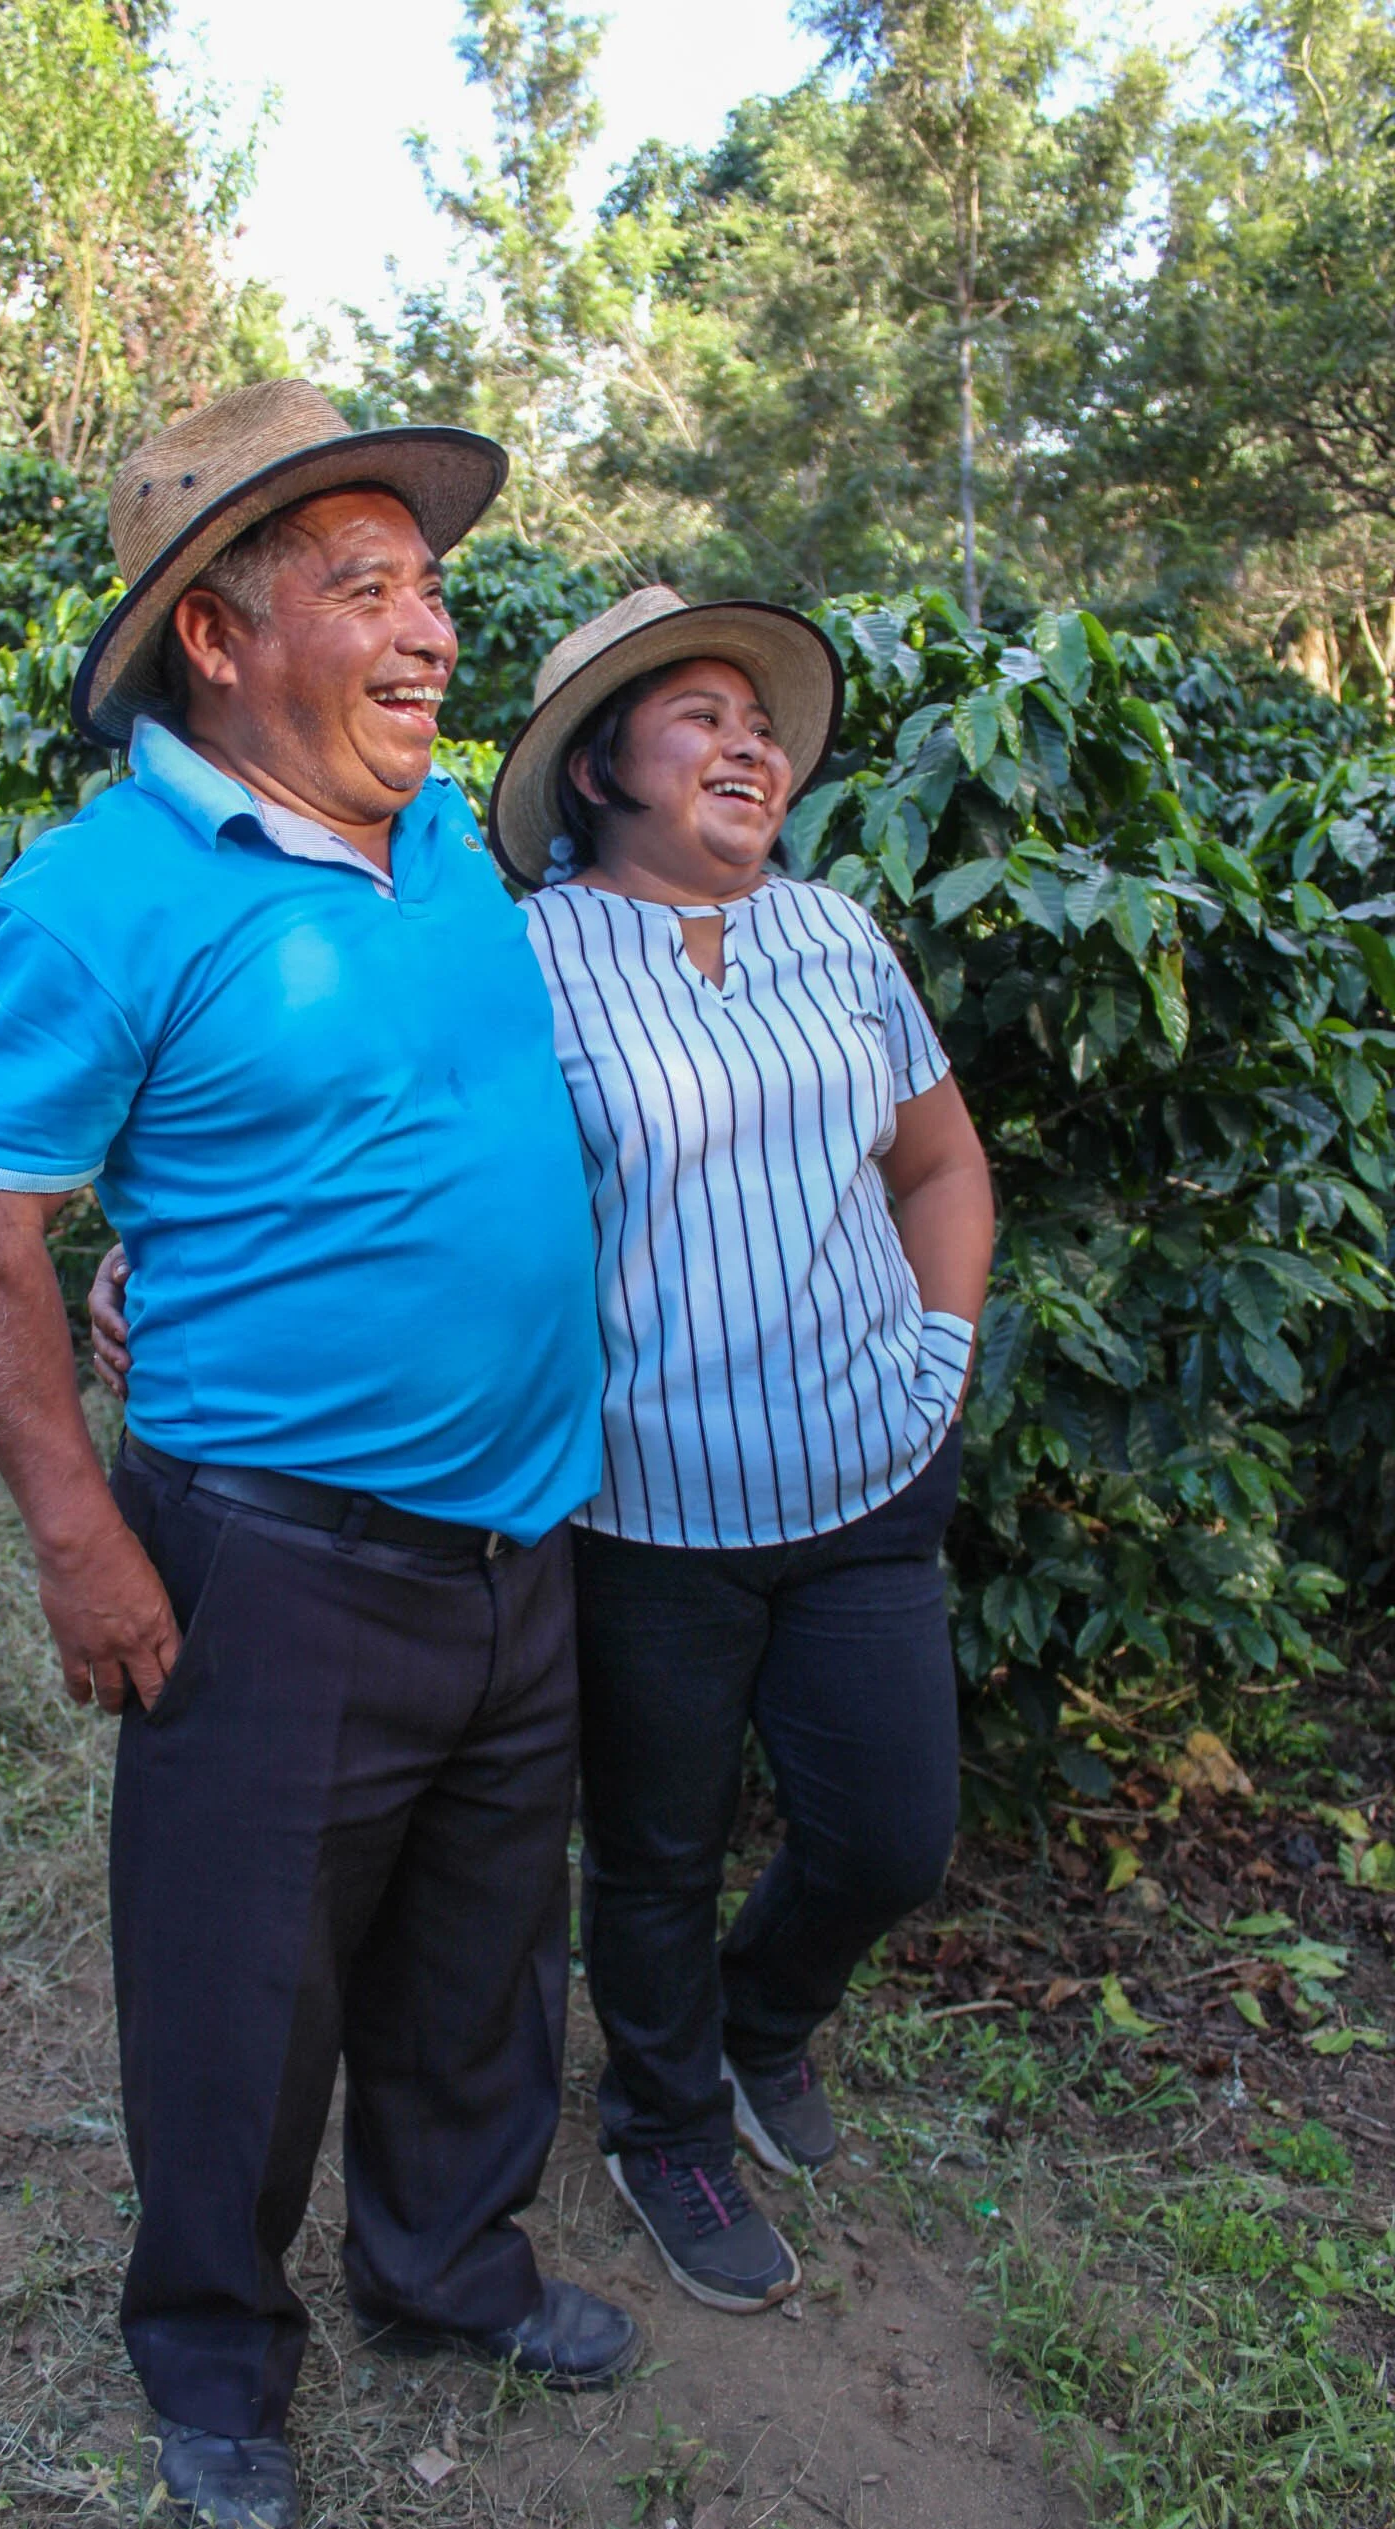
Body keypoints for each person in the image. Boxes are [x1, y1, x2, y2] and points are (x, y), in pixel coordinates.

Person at [0, 380, 639, 2529]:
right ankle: (215, 2355)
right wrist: (75, 1538)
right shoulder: (105, 889)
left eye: (430, 583)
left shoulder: (443, 841)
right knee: (245, 1988)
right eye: (365, 587)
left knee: (486, 1951)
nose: (431, 632)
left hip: (523, 1537)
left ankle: (442, 2266)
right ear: (218, 638)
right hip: (278, 1562)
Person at [94, 583, 996, 2320]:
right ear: (597, 770)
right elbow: (357, 1134)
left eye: (764, 723)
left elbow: (939, 1164)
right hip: (647, 1498)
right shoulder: (517, 950)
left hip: (872, 1468)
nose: (750, 744)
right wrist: (162, 1247)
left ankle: (765, 2021)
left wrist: (941, 1354)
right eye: (699, 717)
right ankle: (667, 2124)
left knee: (891, 1830)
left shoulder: (841, 937)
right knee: (651, 1850)